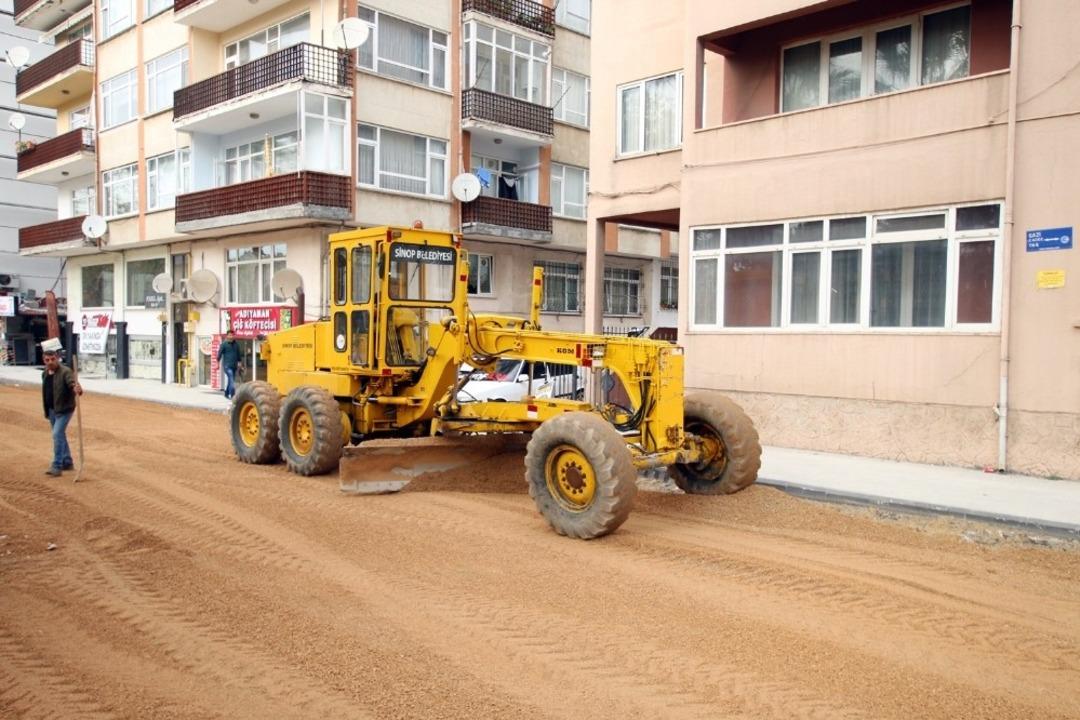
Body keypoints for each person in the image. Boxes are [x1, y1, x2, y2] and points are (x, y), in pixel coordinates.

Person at [41, 348, 83, 476]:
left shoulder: (66, 371)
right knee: (60, 435)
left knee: (56, 434)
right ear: (44, 360)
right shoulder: (45, 373)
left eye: (53, 359)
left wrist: (77, 389)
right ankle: (67, 461)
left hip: (65, 409)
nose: (50, 362)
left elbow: (72, 384)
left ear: (57, 358)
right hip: (52, 409)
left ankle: (57, 465)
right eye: (47, 360)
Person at [217, 332, 241, 400]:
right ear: (227, 336)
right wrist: (217, 364)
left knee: (230, 380)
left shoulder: (236, 345)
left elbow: (238, 355)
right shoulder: (224, 344)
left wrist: (239, 363)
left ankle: (226, 393)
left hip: (234, 366)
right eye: (230, 335)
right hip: (227, 366)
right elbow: (219, 354)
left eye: (232, 335)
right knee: (231, 379)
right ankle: (233, 396)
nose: (231, 336)